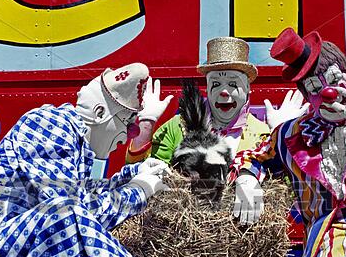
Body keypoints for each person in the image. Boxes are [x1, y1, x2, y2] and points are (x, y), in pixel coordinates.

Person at [0, 63, 169, 257]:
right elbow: (77, 215)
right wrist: (138, 191)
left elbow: (85, 194)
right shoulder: (50, 125)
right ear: (100, 114)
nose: (132, 133)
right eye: (129, 123)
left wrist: (134, 174)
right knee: (63, 213)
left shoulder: (75, 145)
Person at [231, 27, 346, 257]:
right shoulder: (292, 134)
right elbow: (254, 157)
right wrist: (246, 179)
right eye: (315, 89)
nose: (327, 93)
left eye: (336, 81)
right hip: (327, 245)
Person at [126, 37, 308, 223]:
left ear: (247, 90)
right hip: (184, 239)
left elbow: (290, 188)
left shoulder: (263, 135)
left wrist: (284, 133)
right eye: (216, 84)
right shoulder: (178, 126)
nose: (223, 92)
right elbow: (139, 172)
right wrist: (146, 124)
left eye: (232, 84)